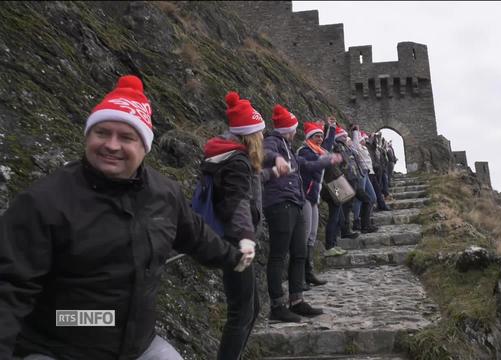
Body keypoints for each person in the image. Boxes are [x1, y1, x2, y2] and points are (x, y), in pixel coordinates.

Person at [0, 75, 253, 360]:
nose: (111, 145)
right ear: (87, 137)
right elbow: (9, 286)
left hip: (140, 347)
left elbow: (196, 236)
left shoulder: (164, 194)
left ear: (144, 146)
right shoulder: (43, 202)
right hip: (57, 348)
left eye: (127, 137)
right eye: (102, 133)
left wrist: (235, 258)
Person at [200, 91, 276, 360]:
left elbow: (247, 186)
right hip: (236, 244)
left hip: (236, 241)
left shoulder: (235, 156)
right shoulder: (237, 161)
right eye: (261, 133)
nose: (264, 138)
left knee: (251, 309)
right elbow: (238, 201)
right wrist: (245, 237)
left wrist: (272, 172)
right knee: (241, 313)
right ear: (251, 134)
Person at [262, 104, 341, 323]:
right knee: (278, 255)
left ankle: (297, 300)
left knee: (298, 251)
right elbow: (263, 152)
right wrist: (275, 160)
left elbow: (305, 164)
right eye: (293, 127)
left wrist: (327, 159)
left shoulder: (287, 146)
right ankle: (277, 305)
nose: (295, 131)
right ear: (287, 128)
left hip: (294, 203)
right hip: (279, 202)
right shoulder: (274, 141)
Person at [297, 117, 337, 288]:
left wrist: (332, 128)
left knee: (312, 236)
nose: (320, 139)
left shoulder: (318, 151)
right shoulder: (305, 151)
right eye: (317, 136)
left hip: (314, 198)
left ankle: (309, 272)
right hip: (305, 196)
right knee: (305, 236)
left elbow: (327, 147)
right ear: (309, 137)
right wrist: (329, 159)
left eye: (321, 136)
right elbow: (312, 165)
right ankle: (300, 277)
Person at [350, 127, 379, 233]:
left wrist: (373, 137)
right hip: (361, 173)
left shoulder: (365, 148)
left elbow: (371, 143)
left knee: (372, 197)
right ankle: (357, 221)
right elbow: (356, 142)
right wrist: (356, 131)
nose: (364, 141)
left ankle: (365, 221)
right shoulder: (357, 148)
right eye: (362, 139)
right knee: (360, 199)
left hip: (367, 173)